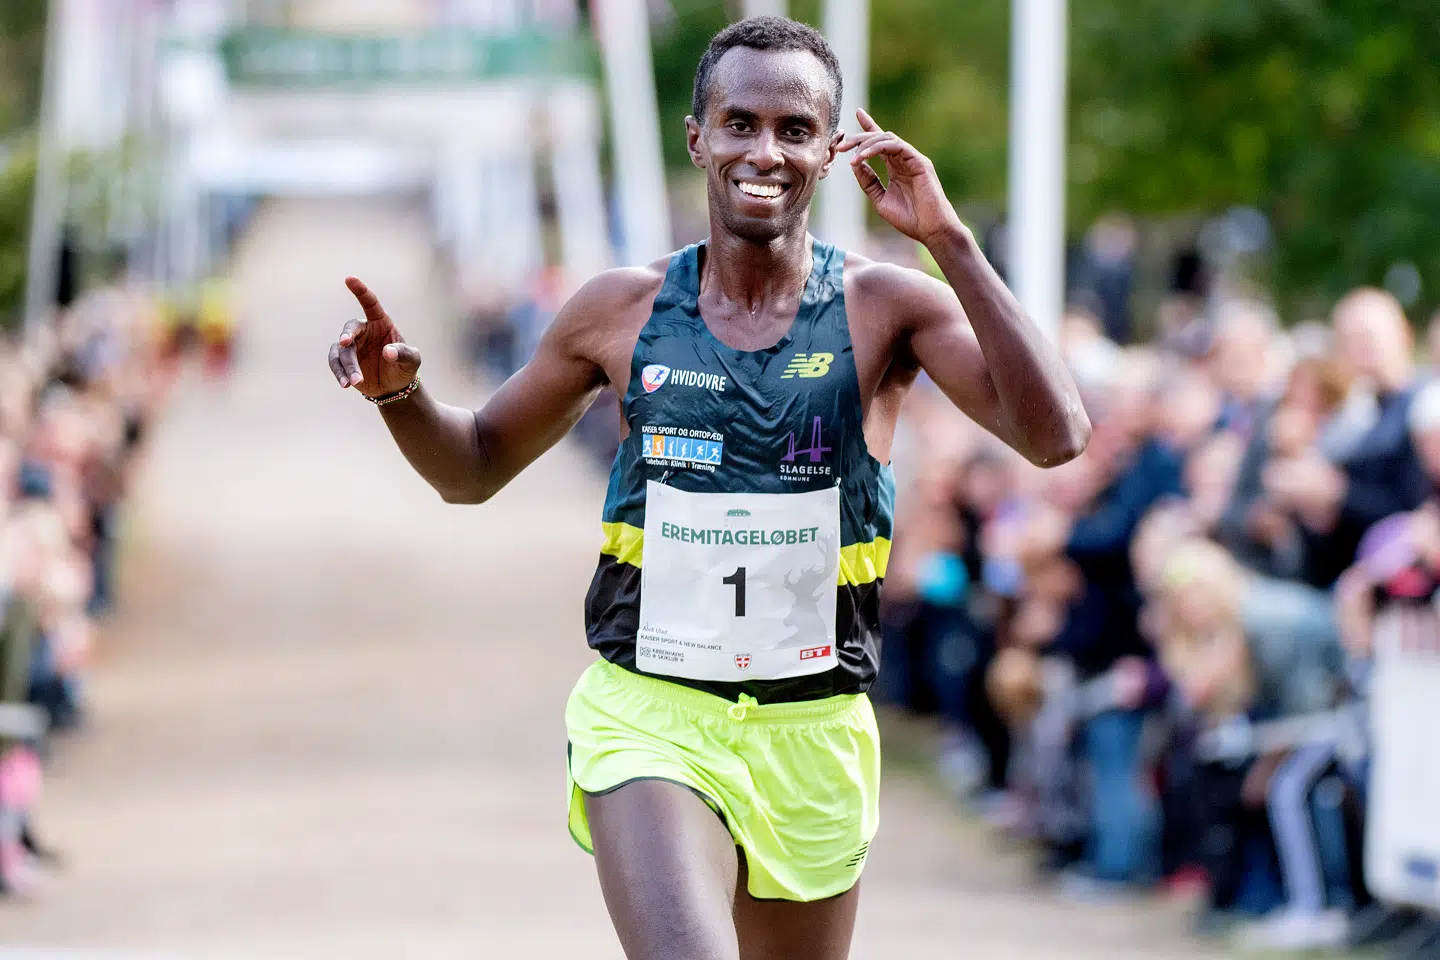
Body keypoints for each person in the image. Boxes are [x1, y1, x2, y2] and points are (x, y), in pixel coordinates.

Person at [325, 17, 1088, 959]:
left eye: (795, 129)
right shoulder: (620, 309)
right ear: (698, 139)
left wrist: (951, 241)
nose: (765, 151)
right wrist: (400, 394)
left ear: (833, 144)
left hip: (813, 729)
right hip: (652, 717)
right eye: (740, 123)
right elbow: (474, 466)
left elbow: (1056, 437)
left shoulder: (889, 307)